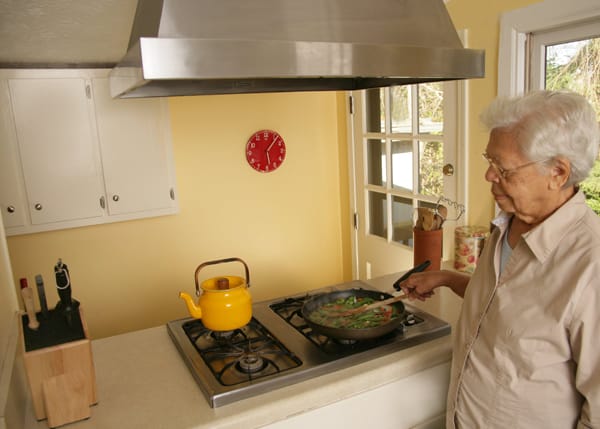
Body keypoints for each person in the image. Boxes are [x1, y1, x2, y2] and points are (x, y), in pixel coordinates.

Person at [399, 90, 600, 428]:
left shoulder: (589, 265)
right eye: (488, 161)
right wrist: (447, 277)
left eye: (503, 169)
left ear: (559, 173)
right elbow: (504, 303)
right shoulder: (507, 225)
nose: (489, 176)